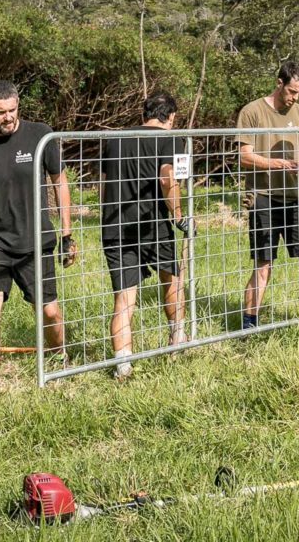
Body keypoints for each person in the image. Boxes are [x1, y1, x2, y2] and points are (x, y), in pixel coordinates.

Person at [0, 80, 77, 391]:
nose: (8, 117)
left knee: (48, 310)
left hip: (35, 239)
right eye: (0, 112)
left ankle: (59, 354)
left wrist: (67, 234)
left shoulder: (40, 135)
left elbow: (60, 182)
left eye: (12, 110)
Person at [100, 91, 190, 380]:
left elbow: (105, 182)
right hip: (153, 224)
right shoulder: (170, 138)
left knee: (124, 298)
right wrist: (178, 216)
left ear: (144, 114)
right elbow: (167, 177)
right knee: (171, 279)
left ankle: (123, 364)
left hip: (115, 225)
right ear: (171, 117)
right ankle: (177, 337)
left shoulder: (116, 139)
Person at [235, 60, 299, 329]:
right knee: (263, 265)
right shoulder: (252, 112)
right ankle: (249, 324)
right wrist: (278, 164)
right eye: (292, 91)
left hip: (298, 198)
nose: (295, 98)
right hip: (264, 196)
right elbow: (244, 156)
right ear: (279, 83)